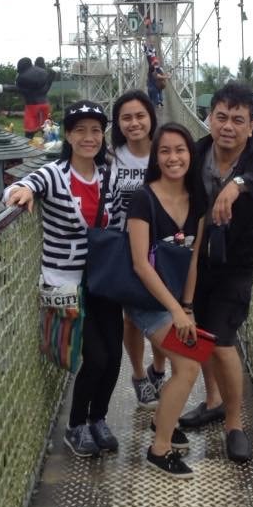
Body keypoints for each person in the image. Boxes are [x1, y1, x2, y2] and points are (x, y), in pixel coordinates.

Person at [178, 82, 253, 462]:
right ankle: (212, 400)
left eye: (238, 120)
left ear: (251, 126)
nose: (228, 126)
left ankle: (234, 423)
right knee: (200, 333)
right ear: (210, 118)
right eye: (221, 117)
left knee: (223, 339)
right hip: (196, 258)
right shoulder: (197, 152)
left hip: (236, 262)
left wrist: (240, 184)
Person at [4, 101, 124, 458]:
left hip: (102, 279)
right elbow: (20, 187)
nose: (89, 137)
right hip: (65, 281)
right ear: (68, 136)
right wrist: (20, 193)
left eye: (96, 131)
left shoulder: (109, 175)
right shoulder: (53, 174)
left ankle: (98, 419)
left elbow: (115, 224)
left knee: (114, 354)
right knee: (96, 357)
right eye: (80, 130)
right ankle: (76, 425)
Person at [125, 124, 206, 478]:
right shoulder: (144, 199)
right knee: (189, 365)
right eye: (165, 152)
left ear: (191, 154)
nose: (173, 158)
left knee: (188, 360)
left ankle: (165, 419)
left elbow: (194, 259)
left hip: (175, 300)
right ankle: (159, 449)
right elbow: (140, 264)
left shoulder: (197, 198)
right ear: (156, 158)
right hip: (146, 300)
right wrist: (175, 311)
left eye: (180, 150)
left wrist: (186, 307)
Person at [111, 90, 165, 408]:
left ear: (151, 118)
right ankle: (138, 376)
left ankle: (158, 368)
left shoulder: (164, 152)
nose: (134, 123)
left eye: (140, 116)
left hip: (161, 246)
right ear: (118, 123)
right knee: (131, 318)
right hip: (123, 245)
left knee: (160, 310)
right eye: (126, 117)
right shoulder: (110, 157)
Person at [0, 57, 55, 139]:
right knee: (46, 127)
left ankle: (28, 141)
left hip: (32, 107)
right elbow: (49, 83)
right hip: (45, 104)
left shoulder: (24, 80)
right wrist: (53, 73)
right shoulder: (43, 76)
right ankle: (50, 141)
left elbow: (15, 88)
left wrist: (2, 88)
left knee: (30, 129)